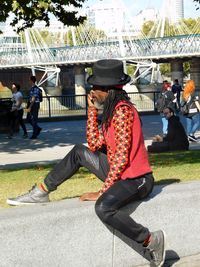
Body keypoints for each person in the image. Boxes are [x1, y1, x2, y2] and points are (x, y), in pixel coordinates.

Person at [7, 59, 166, 267]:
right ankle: (41, 191)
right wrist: (91, 112)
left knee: (104, 208)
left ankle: (150, 240)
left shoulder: (123, 111)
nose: (91, 92)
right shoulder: (110, 111)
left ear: (107, 90)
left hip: (138, 178)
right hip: (121, 173)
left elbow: (121, 158)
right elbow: (93, 145)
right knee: (78, 152)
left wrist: (103, 191)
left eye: (95, 88)